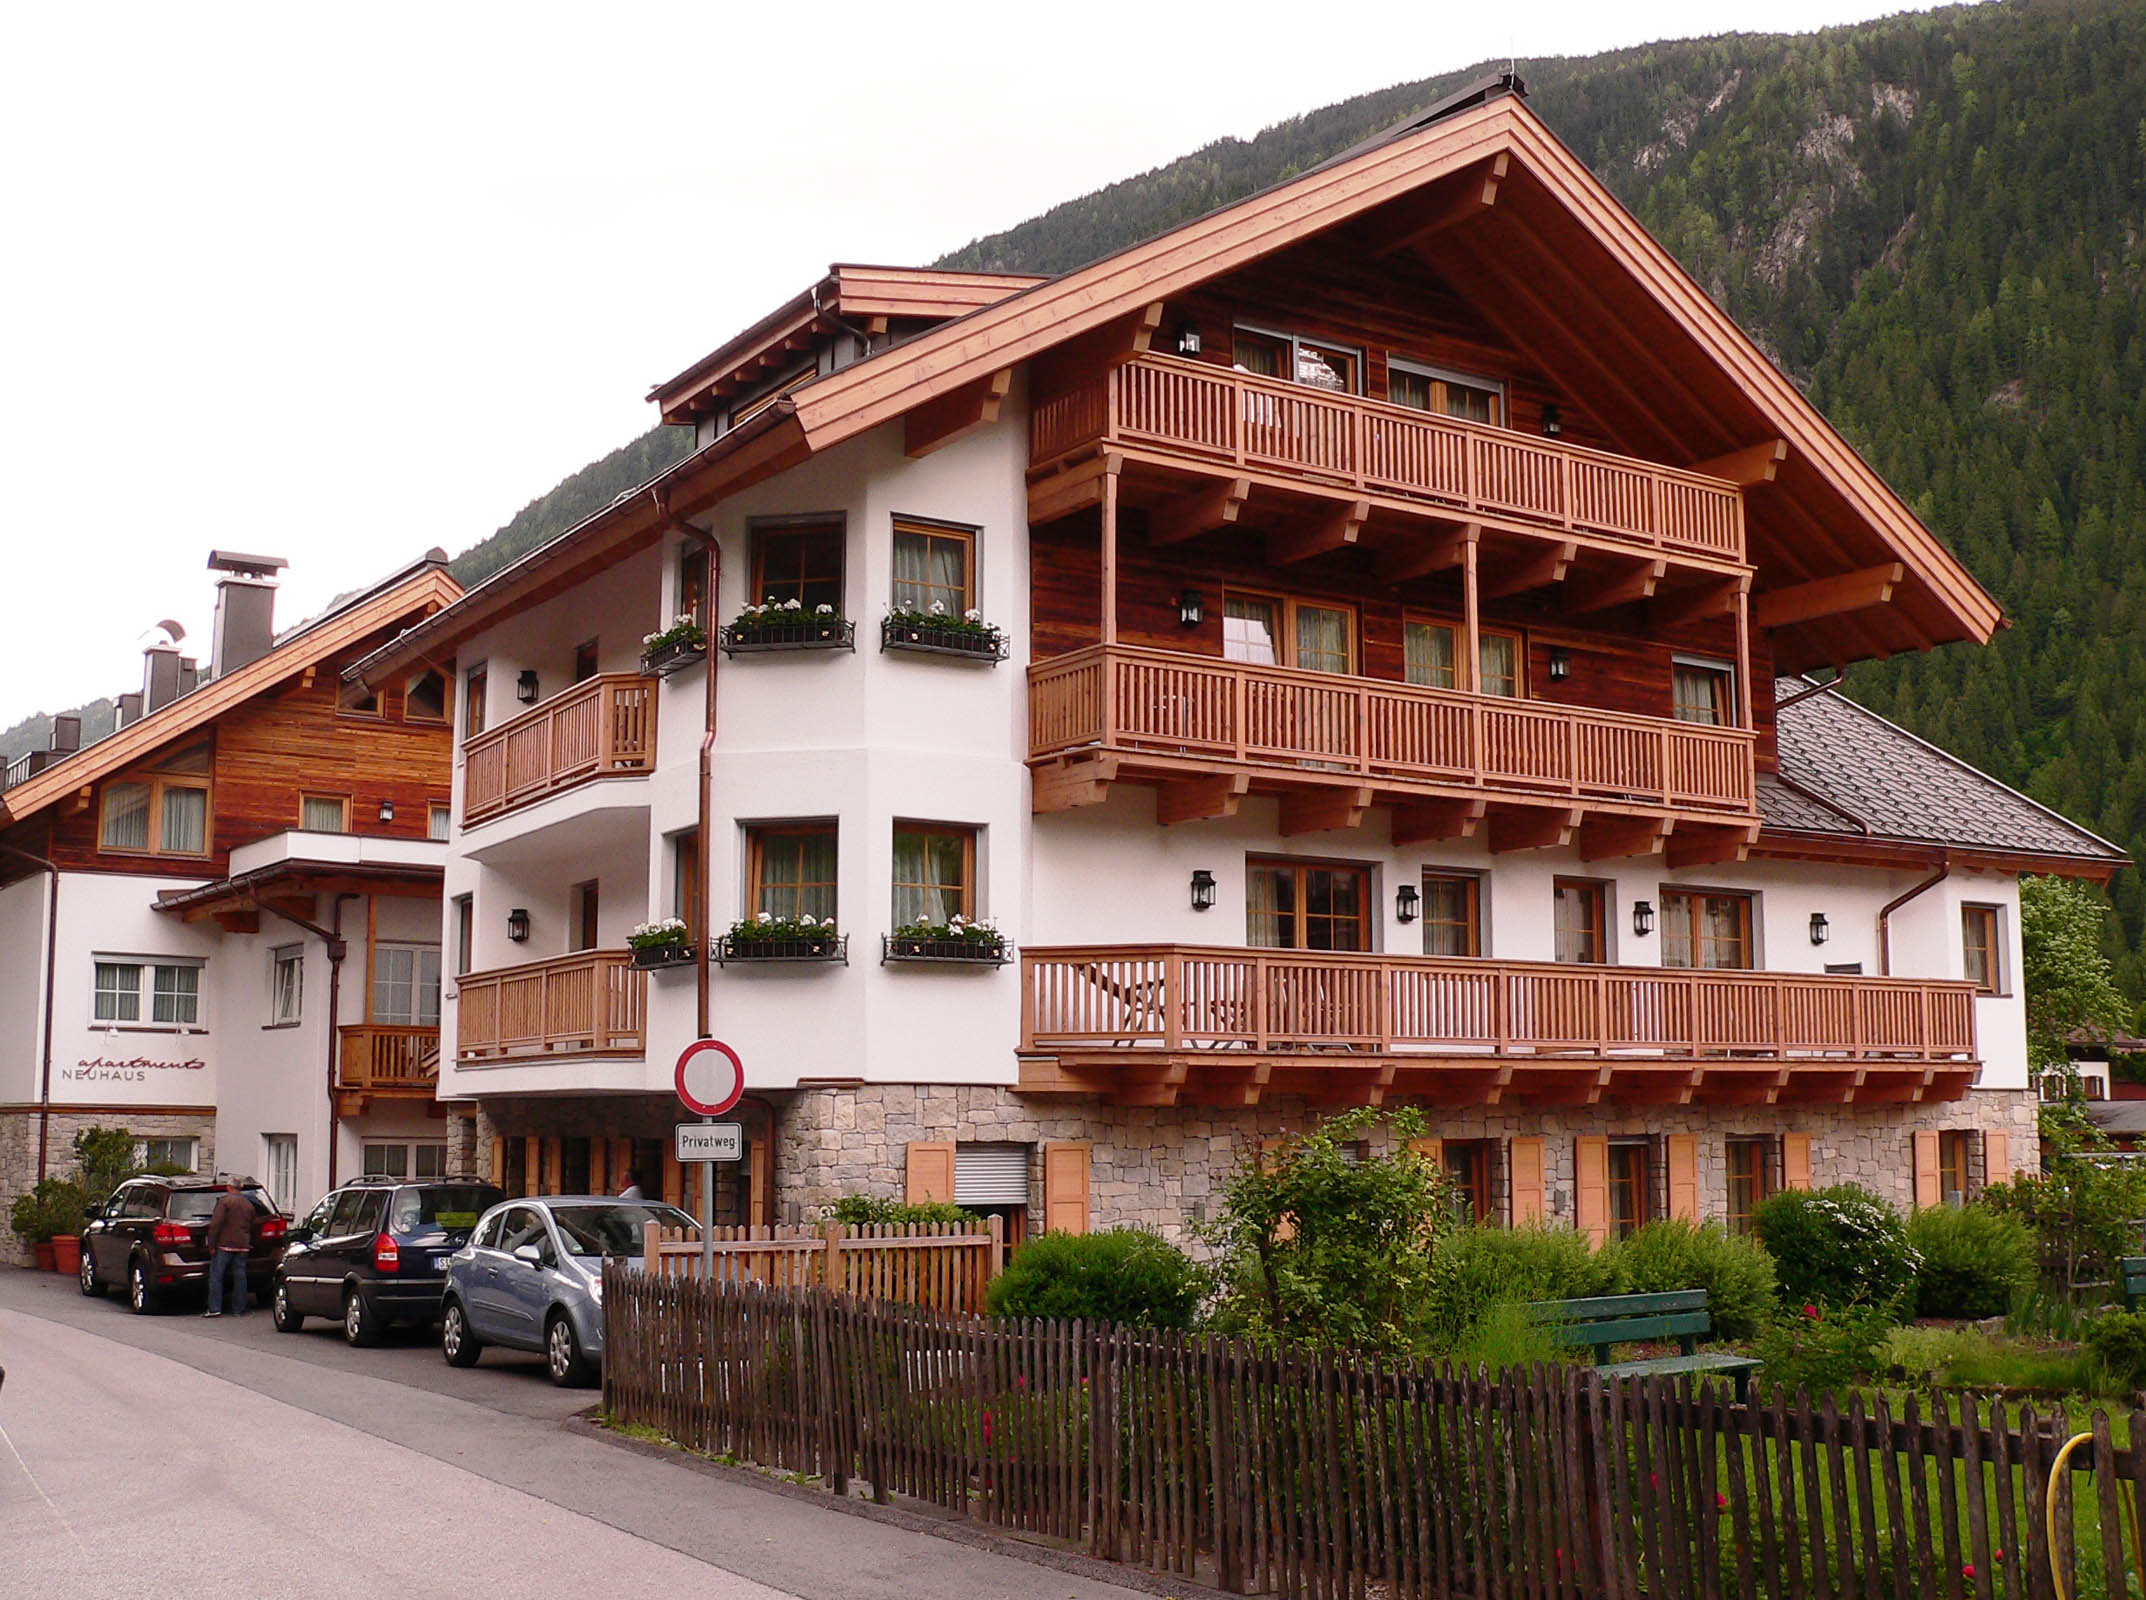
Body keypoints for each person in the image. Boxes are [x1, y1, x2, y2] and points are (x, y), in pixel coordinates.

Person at [204, 1177, 254, 1317]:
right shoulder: (248, 1204)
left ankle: (215, 1308)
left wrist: (211, 1244)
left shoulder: (224, 1202)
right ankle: (239, 1308)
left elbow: (216, 1224)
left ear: (229, 1187)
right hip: (243, 1244)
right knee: (240, 1277)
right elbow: (252, 1224)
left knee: (216, 1276)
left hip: (225, 1244)